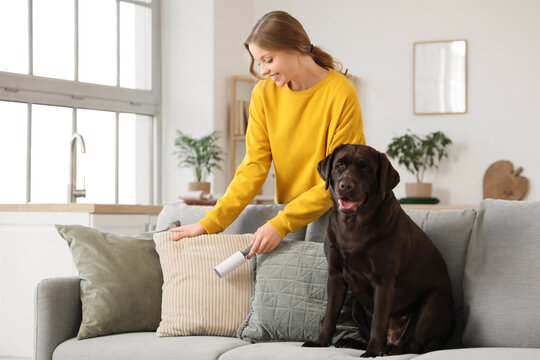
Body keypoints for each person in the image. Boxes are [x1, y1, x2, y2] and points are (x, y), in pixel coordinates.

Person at [169, 10, 365, 259]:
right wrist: (210, 223)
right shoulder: (263, 95)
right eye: (258, 62)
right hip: (288, 217)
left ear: (295, 48)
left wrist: (281, 223)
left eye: (268, 60)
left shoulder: (341, 92)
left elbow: (341, 177)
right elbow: (253, 168)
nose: (263, 70)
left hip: (338, 217)